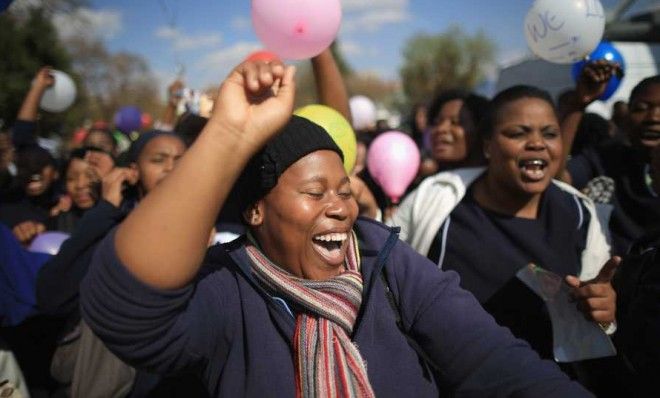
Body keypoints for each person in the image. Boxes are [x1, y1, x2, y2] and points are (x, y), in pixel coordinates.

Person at [79, 60, 591, 397]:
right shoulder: (224, 289)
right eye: (314, 192)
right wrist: (230, 134)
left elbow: (496, 362)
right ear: (256, 210)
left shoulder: (384, 262)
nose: (340, 208)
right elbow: (125, 309)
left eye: (344, 190)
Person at [390, 85, 619, 393]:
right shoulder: (438, 199)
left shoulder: (579, 212)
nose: (537, 143)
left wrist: (603, 311)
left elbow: (600, 319)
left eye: (550, 134)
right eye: (518, 133)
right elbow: (384, 278)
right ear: (488, 145)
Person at [562, 67, 660, 255]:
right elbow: (559, 178)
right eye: (641, 108)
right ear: (625, 116)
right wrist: (578, 104)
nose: (653, 118)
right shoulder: (605, 158)